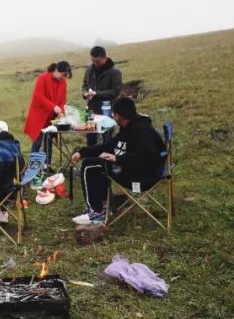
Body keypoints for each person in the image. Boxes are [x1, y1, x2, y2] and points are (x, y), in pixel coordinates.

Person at [68, 97, 163, 227]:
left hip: (142, 176)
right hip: (133, 168)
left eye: (113, 114)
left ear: (117, 115)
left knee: (89, 165)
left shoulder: (141, 130)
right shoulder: (128, 128)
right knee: (96, 163)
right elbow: (109, 146)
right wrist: (83, 152)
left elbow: (148, 156)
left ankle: (96, 213)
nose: (113, 116)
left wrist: (118, 159)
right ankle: (103, 206)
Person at [23, 61, 70, 153]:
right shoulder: (42, 78)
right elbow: (39, 96)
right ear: (56, 70)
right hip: (39, 115)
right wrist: (53, 107)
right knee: (37, 141)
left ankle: (47, 165)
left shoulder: (63, 81)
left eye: (64, 75)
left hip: (52, 118)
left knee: (48, 141)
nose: (62, 77)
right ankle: (34, 166)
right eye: (62, 74)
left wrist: (61, 112)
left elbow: (63, 99)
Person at [81, 46, 122, 146]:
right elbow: (85, 85)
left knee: (107, 139)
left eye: (98, 61)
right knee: (90, 139)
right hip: (91, 111)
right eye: (93, 61)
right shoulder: (89, 70)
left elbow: (115, 92)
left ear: (105, 58)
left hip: (107, 111)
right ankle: (90, 160)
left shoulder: (115, 72)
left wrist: (96, 93)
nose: (95, 64)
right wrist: (85, 93)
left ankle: (106, 161)